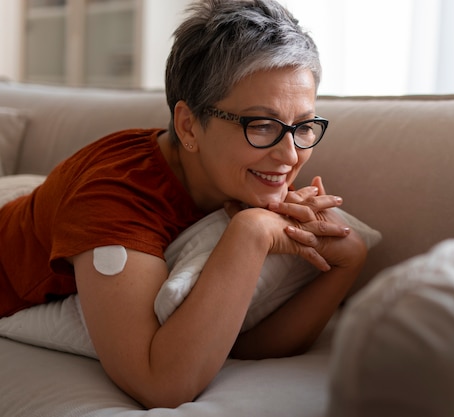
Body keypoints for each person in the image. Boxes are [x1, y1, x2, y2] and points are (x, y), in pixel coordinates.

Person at [0, 0, 367, 409]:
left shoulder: (245, 173)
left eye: (303, 126)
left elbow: (235, 343)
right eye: (260, 125)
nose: (289, 155)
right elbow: (162, 382)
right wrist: (252, 233)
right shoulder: (115, 199)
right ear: (189, 125)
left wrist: (347, 262)